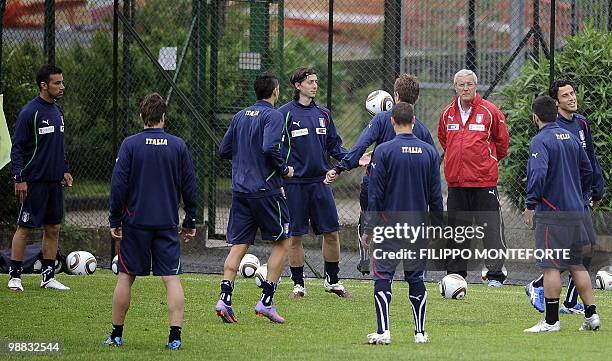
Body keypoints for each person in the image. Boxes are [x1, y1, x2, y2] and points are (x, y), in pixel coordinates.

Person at [105, 93, 197, 349]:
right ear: (164, 117)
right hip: (167, 222)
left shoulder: (130, 145)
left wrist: (114, 218)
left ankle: (116, 335)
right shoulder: (178, 146)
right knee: (171, 278)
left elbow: (118, 185)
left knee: (125, 277)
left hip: (135, 223)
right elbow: (190, 185)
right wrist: (190, 219)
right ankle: (175, 338)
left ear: (141, 116)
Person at [325, 74, 437, 275]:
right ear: (417, 99)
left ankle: (367, 257)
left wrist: (340, 168)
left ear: (395, 95)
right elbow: (432, 161)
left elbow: (360, 145)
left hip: (377, 183)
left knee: (369, 213)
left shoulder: (381, 119)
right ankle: (418, 273)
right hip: (408, 190)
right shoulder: (421, 128)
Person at [215, 71, 293, 324]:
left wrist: (245, 159)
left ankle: (224, 299)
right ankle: (266, 302)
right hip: (266, 190)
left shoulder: (240, 116)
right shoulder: (274, 115)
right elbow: (270, 147)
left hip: (241, 191)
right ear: (275, 92)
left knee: (240, 245)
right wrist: (284, 170)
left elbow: (224, 150)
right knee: (283, 242)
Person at [363, 102, 443, 344]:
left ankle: (383, 332)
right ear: (415, 121)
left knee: (383, 277)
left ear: (391, 122)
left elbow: (375, 195)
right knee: (416, 278)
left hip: (389, 225)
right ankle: (419, 333)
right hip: (417, 227)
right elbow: (435, 195)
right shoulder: (430, 152)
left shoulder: (383, 151)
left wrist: (368, 228)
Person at [525, 80, 605, 314]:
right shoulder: (552, 128)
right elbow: (542, 171)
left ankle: (569, 302)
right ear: (556, 103)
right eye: (566, 95)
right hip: (559, 205)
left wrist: (593, 191)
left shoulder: (581, 123)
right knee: (567, 257)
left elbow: (590, 160)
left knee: (585, 251)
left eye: (573, 93)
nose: (572, 97)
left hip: (578, 200)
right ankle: (540, 288)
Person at [278, 67, 351, 298]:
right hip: (295, 185)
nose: (315, 85)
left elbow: (335, 147)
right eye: (310, 82)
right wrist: (281, 174)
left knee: (331, 233)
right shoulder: (284, 114)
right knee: (295, 236)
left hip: (320, 183)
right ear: (298, 86)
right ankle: (298, 285)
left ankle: (333, 281)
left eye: (316, 81)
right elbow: (275, 150)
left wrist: (355, 158)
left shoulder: (324, 114)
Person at [437, 69, 509, 287]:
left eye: (469, 84)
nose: (465, 88)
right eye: (461, 85)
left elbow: (502, 144)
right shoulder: (447, 113)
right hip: (457, 185)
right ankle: (456, 276)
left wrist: (484, 164)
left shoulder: (491, 111)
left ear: (475, 86)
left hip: (484, 183)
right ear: (455, 87)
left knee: (491, 230)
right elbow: (444, 140)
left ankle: (495, 275)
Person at [8, 64, 72, 292]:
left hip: (54, 183)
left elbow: (59, 147)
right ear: (44, 85)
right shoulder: (30, 112)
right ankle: (14, 276)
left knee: (53, 228)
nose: (62, 86)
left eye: (62, 82)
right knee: (24, 227)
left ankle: (48, 276)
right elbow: (17, 148)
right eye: (57, 83)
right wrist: (19, 178)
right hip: (33, 182)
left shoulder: (58, 112)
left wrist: (64, 169)